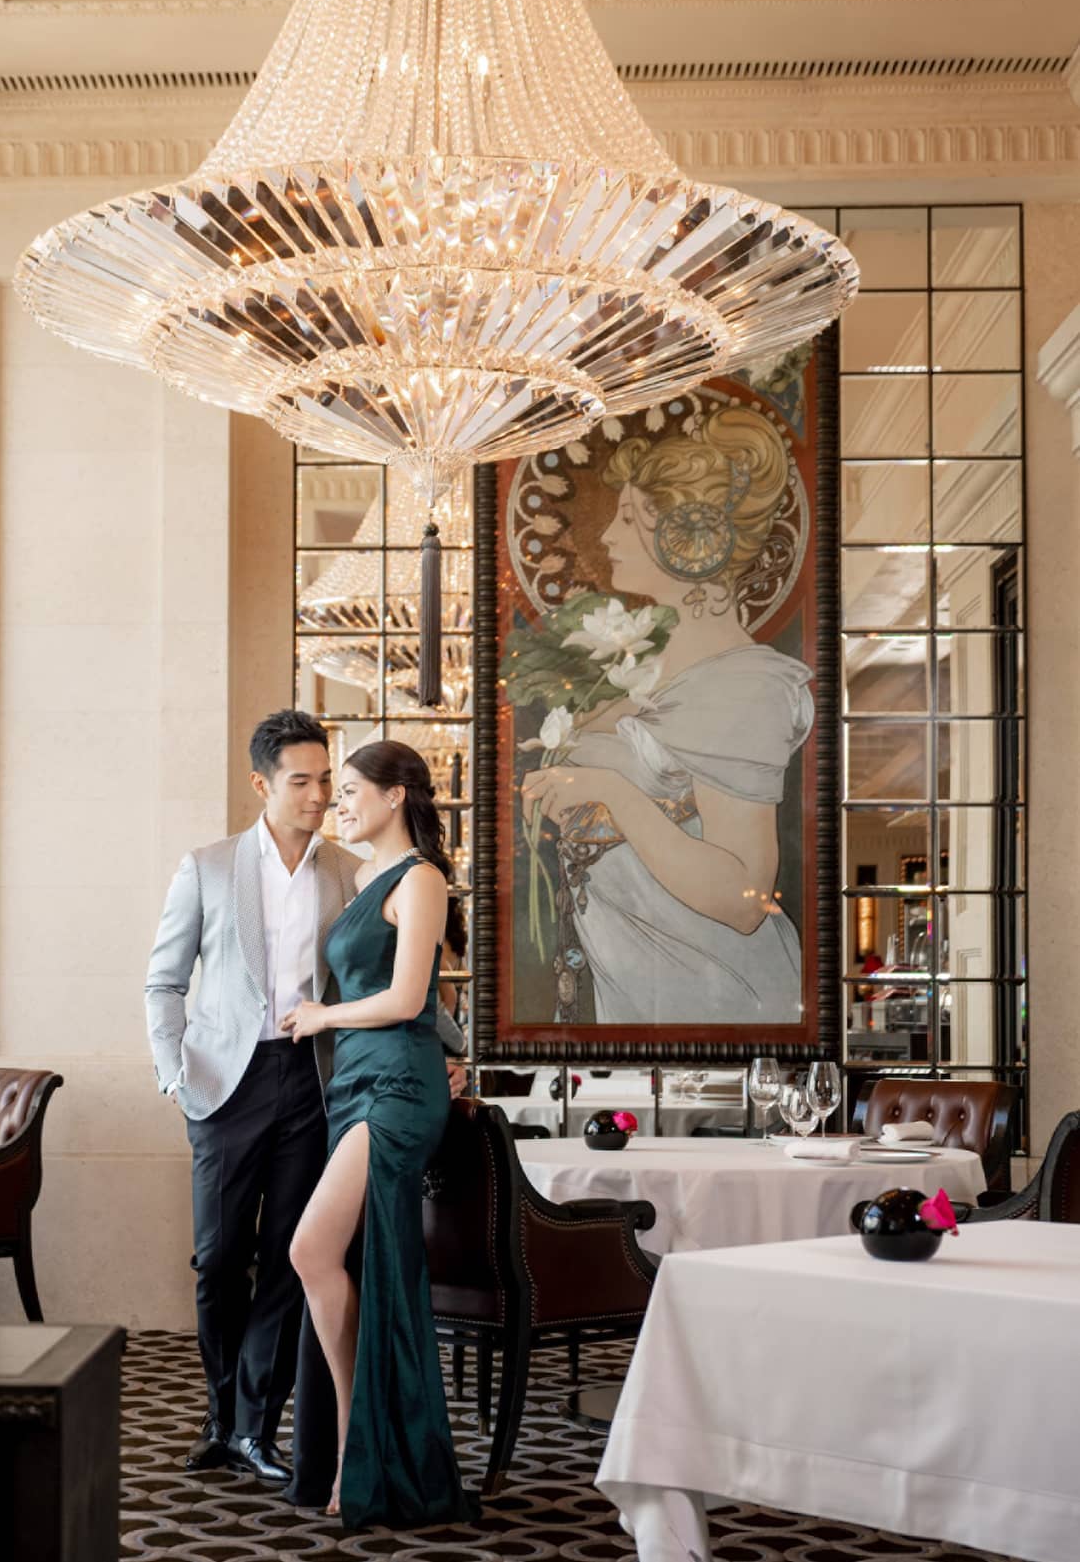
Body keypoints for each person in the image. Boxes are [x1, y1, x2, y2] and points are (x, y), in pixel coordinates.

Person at [521, 407, 813, 1026]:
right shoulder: (640, 673)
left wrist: (610, 791)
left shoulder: (743, 688)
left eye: (629, 519)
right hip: (638, 979)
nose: (607, 538)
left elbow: (743, 900)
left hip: (720, 986)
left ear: (691, 540)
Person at [145, 709, 358, 1485]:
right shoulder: (206, 866)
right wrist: (175, 1072)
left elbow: (371, 974)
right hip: (223, 1086)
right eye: (301, 780)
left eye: (326, 778)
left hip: (310, 1078)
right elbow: (163, 981)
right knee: (219, 1257)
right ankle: (219, 1411)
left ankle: (256, 1427)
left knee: (288, 1259)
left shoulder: (345, 869)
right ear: (261, 783)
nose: (318, 794)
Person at [281, 740, 478, 1529]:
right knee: (342, 1258)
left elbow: (406, 997)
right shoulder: (361, 878)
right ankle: (356, 1447)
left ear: (397, 796)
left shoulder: (421, 878)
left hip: (397, 1088)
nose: (340, 803)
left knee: (309, 1250)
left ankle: (356, 1450)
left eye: (353, 789)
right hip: (355, 1085)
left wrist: (324, 1014)